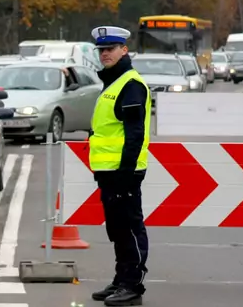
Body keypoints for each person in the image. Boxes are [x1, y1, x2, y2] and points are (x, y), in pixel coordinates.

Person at [88, 26, 151, 306]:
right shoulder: (113, 82)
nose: (105, 54)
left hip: (124, 172)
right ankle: (121, 278)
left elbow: (134, 133)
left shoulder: (130, 84)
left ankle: (133, 285)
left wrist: (126, 173)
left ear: (124, 50)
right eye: (101, 50)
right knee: (117, 229)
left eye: (110, 49)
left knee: (129, 228)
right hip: (109, 172)